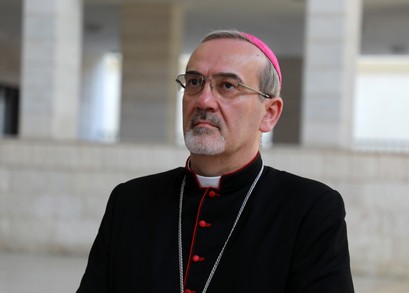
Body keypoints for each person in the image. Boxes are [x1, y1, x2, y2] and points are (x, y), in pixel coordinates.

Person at [77, 29, 354, 293]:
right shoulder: (130, 201)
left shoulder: (311, 209)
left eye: (227, 85)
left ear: (269, 113)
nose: (204, 100)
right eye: (195, 82)